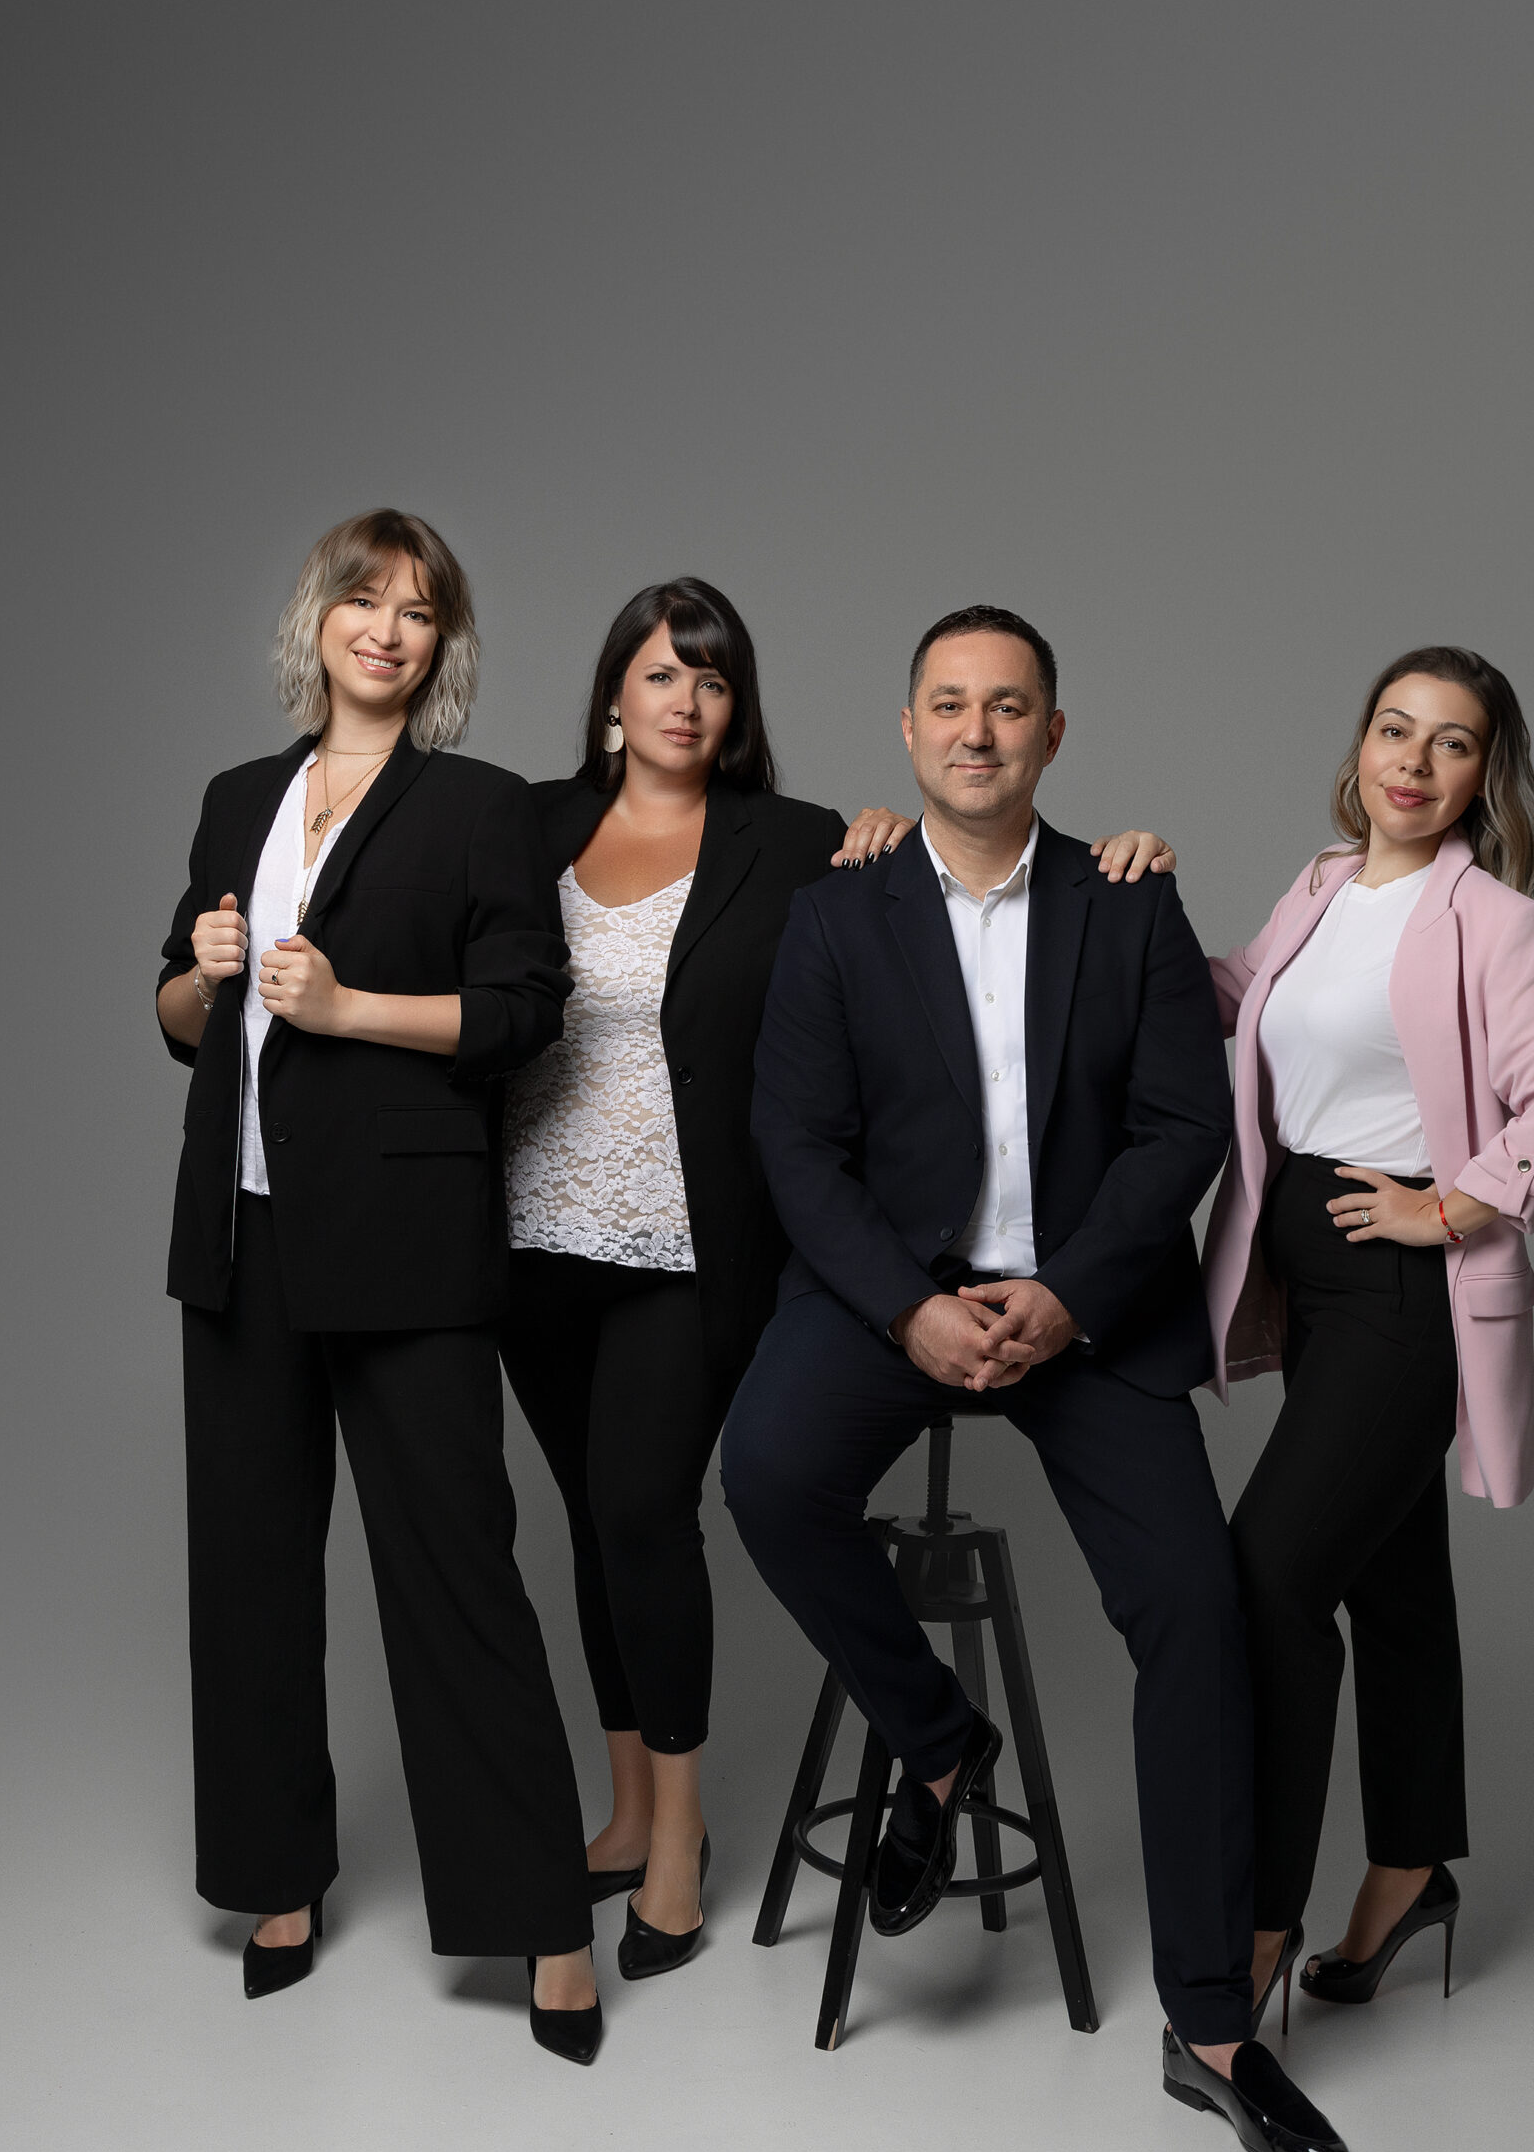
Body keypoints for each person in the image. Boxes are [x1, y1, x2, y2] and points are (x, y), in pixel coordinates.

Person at [720, 606, 1353, 2152]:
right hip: (896, 1301)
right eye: (950, 705)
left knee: (1197, 1614)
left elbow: (1180, 1129)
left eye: (1010, 707)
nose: (979, 731)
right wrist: (908, 1309)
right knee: (770, 1477)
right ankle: (941, 1746)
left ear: (1054, 734)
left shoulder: (1126, 899)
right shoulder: (840, 911)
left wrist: (1065, 1298)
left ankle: (1212, 2024)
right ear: (911, 728)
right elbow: (795, 1143)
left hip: (1087, 1308)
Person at [500, 578, 1174, 1980]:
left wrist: (1105, 858)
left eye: (715, 680)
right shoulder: (534, 826)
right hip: (538, 1229)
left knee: (647, 1507)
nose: (687, 701)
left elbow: (944, 863)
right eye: (661, 676)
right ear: (612, 697)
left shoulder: (806, 841)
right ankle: (627, 1807)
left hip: (698, 1242)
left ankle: (676, 1846)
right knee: (591, 1525)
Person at [155, 507, 603, 2065]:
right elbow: (170, 1013)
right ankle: (277, 1883)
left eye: (421, 611)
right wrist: (202, 976)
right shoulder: (238, 799)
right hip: (244, 1232)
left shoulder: (481, 808)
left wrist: (346, 1007)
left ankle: (545, 1918)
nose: (389, 629)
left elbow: (524, 1014)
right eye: (365, 599)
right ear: (320, 620)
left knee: (456, 1575)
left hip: (410, 1243)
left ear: (442, 647)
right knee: (252, 1574)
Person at [1201, 646, 1534, 2028]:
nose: (1413, 763)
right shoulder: (1318, 886)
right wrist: (1113, 903)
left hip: (1400, 1295)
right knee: (1394, 1582)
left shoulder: (1495, 921)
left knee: (1269, 1578)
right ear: (1361, 743)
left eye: (1451, 743)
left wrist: (1459, 1205)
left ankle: (1258, 1921)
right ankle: (1412, 1862)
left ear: (1486, 775)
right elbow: (1231, 1001)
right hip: (1306, 1270)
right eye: (1394, 728)